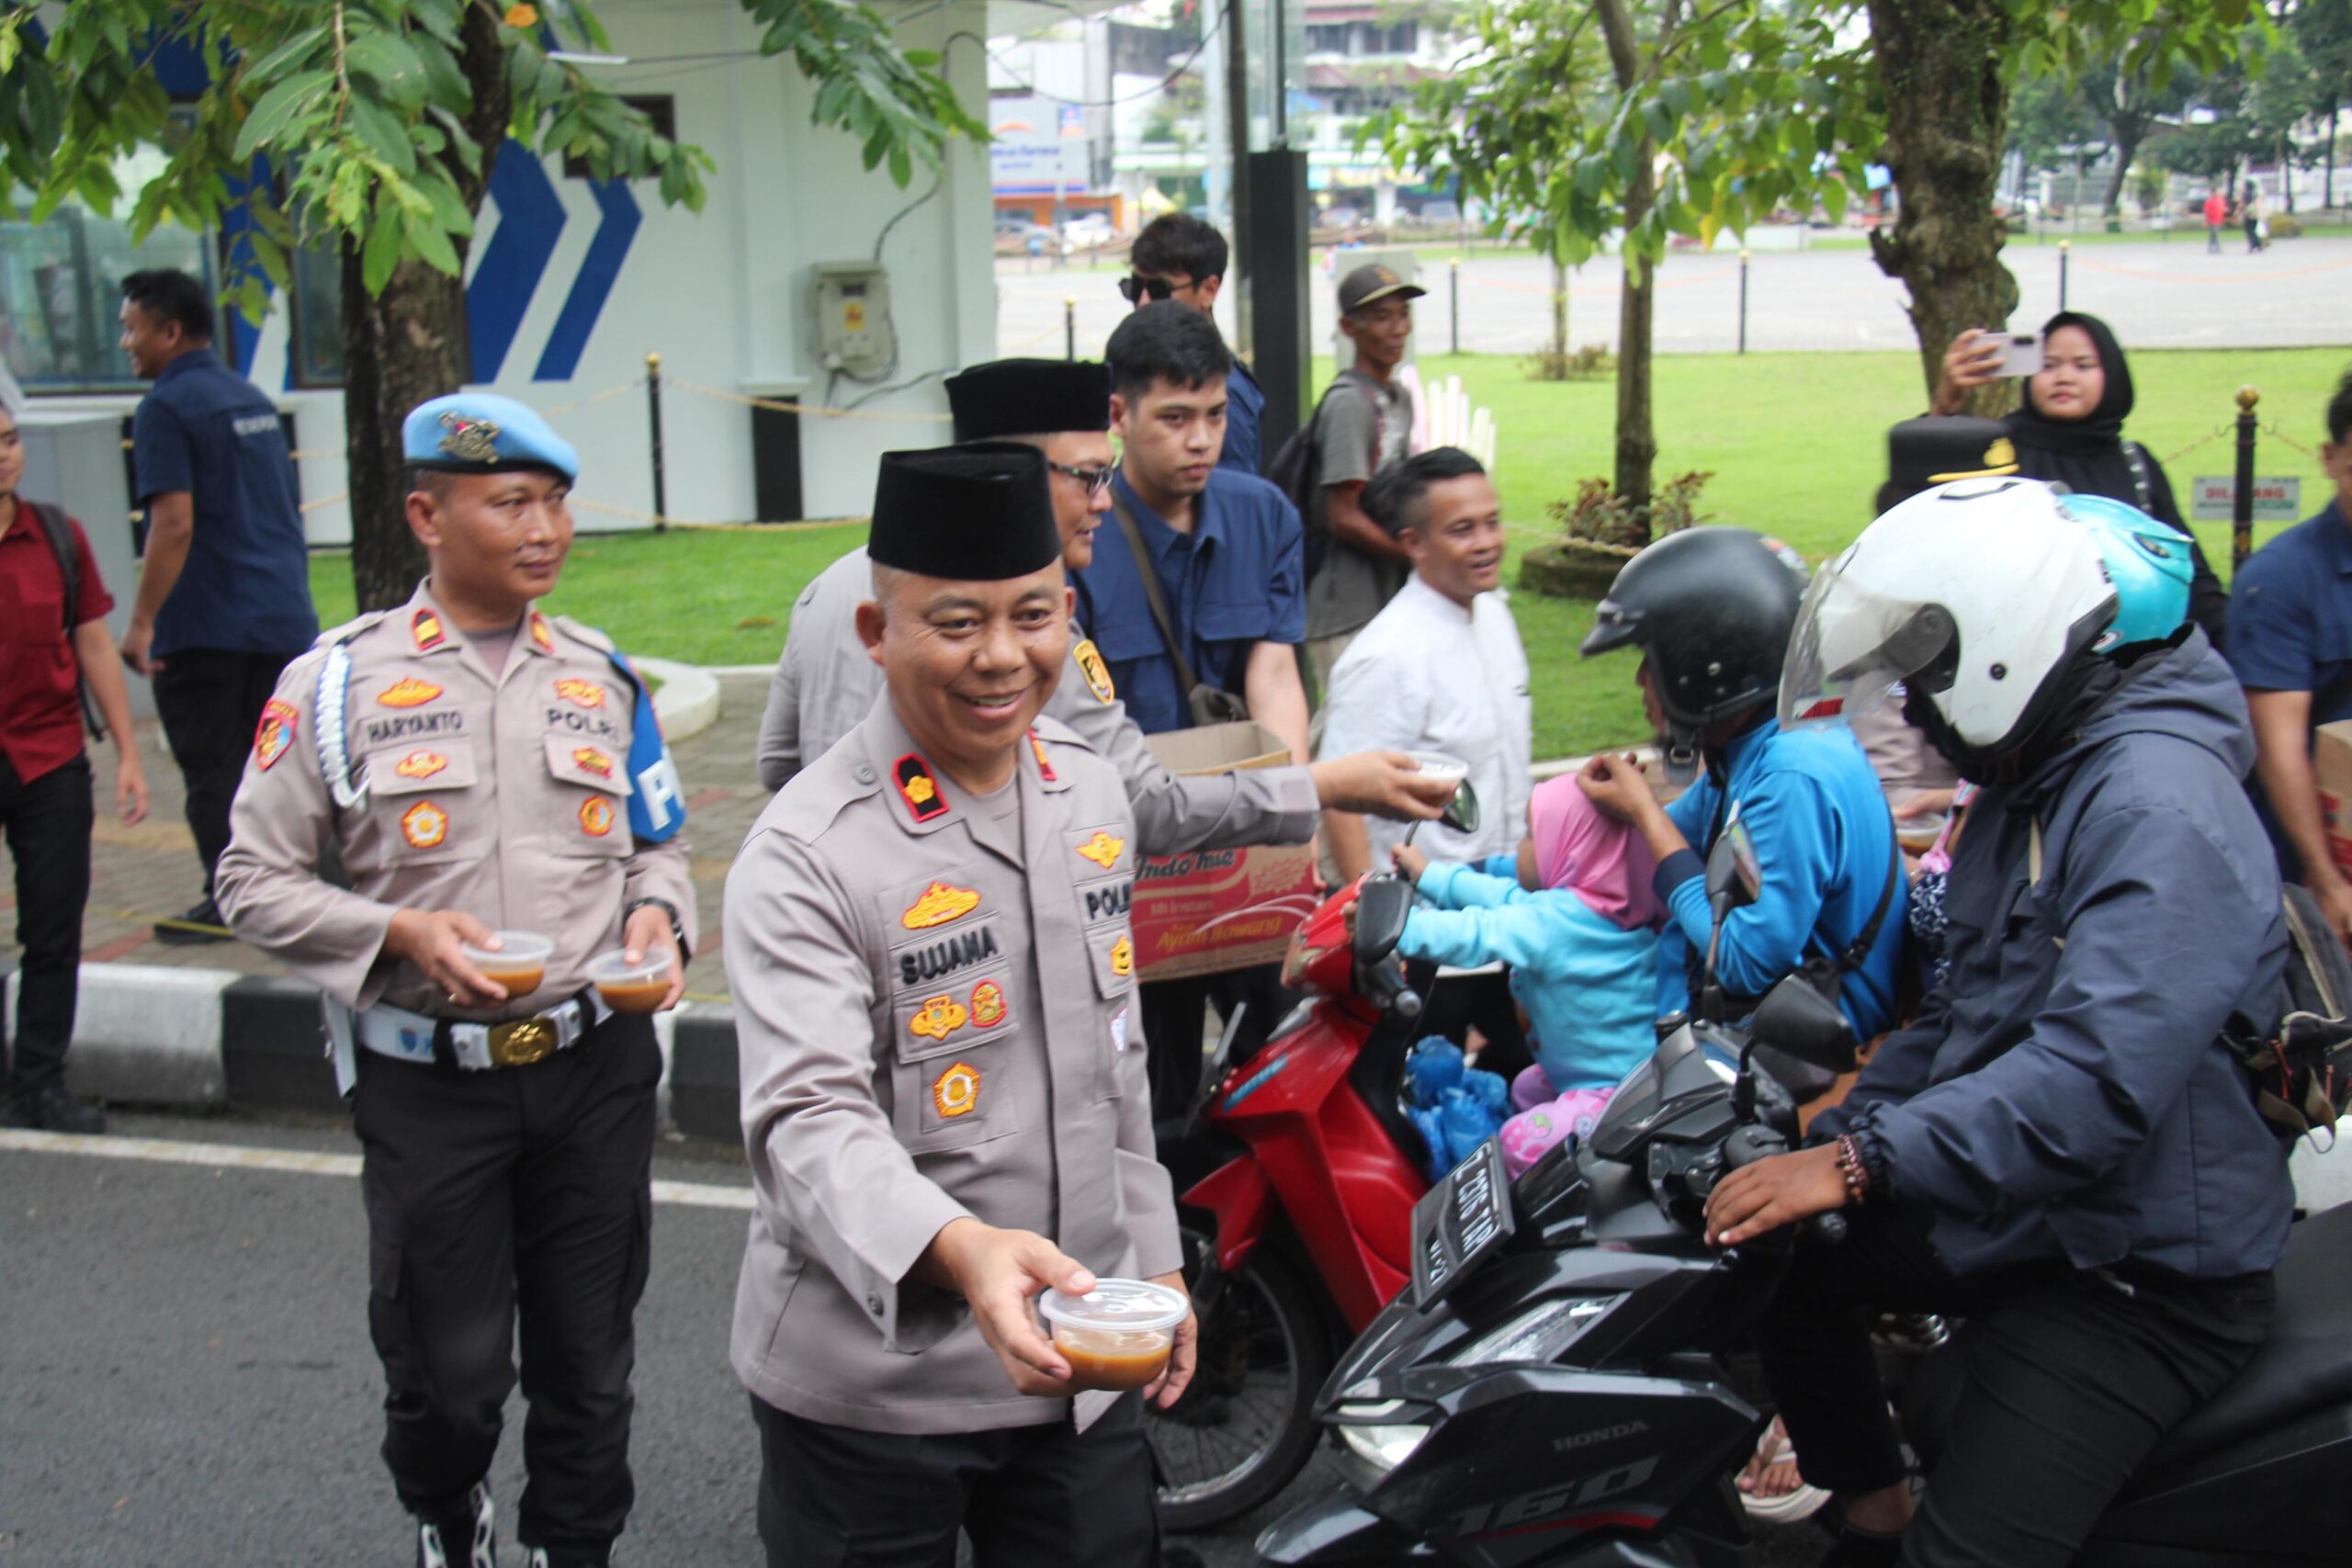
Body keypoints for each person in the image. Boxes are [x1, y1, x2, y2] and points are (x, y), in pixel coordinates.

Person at [1724, 475, 2289, 1568]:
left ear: (2014, 643)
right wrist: (1829, 1144)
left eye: (1931, 675)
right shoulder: (2044, 779)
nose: (1917, 708)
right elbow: (1966, 1011)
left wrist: (1860, 1164)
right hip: (2044, 1211)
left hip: (2137, 1275)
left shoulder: (2154, 810)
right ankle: (1872, 1514)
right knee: (1785, 1265)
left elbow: (2092, 1081)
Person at [215, 393, 693, 1568]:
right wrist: (394, 935)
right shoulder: (332, 685)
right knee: (453, 1381)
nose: (547, 528)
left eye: (557, 502)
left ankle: (572, 1547)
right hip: (431, 1085)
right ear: (427, 514)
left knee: (591, 1362)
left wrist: (658, 919)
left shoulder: (601, 676)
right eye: (512, 503)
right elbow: (248, 878)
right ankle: (445, 1510)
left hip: (593, 1067)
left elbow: (659, 842)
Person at [725, 444, 1188, 1568]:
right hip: (872, 1399)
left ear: (1066, 617)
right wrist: (966, 1252)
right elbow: (808, 1123)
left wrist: (1155, 1258)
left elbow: (1112, 1056)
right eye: (955, 623)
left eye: (1031, 617)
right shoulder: (804, 854)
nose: (1000, 659)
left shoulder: (1085, 791)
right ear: (876, 636)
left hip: (1077, 1372)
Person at [752, 355, 1452, 840]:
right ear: (1015, 472)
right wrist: (1324, 785)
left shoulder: (832, 586)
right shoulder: (1029, 632)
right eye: (1088, 476)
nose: (1104, 500)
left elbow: (779, 765)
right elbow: (1143, 803)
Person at [1075, 301, 1315, 1109]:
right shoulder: (1080, 534)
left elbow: (1274, 676)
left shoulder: (1265, 514)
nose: (1201, 439)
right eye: (1175, 418)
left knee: (1288, 1066)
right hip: (1132, 861)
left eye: (1214, 415)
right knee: (1152, 1097)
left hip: (1246, 847)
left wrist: (1293, 822)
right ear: (1120, 414)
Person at [1576, 527, 1905, 1043]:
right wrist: (1478, 876)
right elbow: (1655, 847)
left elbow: (1739, 962)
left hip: (1802, 1072)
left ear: (1704, 667)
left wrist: (1644, 812)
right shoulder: (1757, 745)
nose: (1642, 680)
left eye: (1652, 660)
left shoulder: (1792, 775)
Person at [118, 267, 318, 943]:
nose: (126, 343)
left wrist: (143, 620)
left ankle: (232, 899)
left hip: (207, 625)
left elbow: (172, 522)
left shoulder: (165, 408)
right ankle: (292, 887)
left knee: (213, 767)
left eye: (131, 328)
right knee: (279, 764)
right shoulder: (249, 397)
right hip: (280, 618)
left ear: (169, 332)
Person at [1388, 774, 1659, 1178]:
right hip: (1605, 1079)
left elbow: (1479, 932)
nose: (1520, 848)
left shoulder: (1558, 924)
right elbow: (1501, 898)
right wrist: (1428, 874)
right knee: (1525, 1088)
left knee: (1516, 1140)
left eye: (1531, 836)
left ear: (1572, 848)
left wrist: (1398, 929)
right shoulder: (1594, 907)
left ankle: (1535, 1230)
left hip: (1617, 1100)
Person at [0, 404, 149, 1133]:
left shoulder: (59, 536)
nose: (3, 456)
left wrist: (127, 754)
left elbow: (94, 645)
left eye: (8, 440)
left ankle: (39, 1082)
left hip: (49, 758)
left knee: (53, 930)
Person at [1930, 310, 2226, 647]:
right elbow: (1927, 518)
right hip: (2015, 655)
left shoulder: (2134, 462)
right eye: (2049, 365)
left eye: (2083, 365)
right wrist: (1946, 405)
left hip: (2127, 660)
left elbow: (2185, 570)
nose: (2064, 377)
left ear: (2112, 375)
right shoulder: (1998, 451)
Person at [1317, 447, 1530, 881]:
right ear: (1414, 543)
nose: (1487, 542)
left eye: (1492, 522)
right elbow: (1341, 804)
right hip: (1427, 919)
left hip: (1504, 903)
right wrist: (1380, 926)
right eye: (1463, 530)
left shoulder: (1496, 618)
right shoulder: (1386, 655)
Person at [2227, 368, 2352, 942]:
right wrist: (2326, 882)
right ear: (2329, 459)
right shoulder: (2279, 581)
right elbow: (2280, 747)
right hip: (2312, 859)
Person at [1302, 263, 1423, 697]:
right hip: (1343, 609)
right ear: (1348, 328)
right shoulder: (1349, 403)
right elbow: (1341, 515)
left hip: (1386, 603)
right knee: (1342, 738)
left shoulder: (1398, 397)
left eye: (1402, 314)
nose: (1397, 328)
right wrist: (1414, 556)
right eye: (1381, 317)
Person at [1123, 213, 1263, 475]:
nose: (1142, 302)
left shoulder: (1225, 390)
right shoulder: (1147, 366)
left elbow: (1229, 501)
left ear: (1209, 290)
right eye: (1134, 287)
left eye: (1159, 290)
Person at [2204, 188, 2227, 254]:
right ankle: (2217, 248)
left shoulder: (2221, 200)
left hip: (2219, 219)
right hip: (2213, 220)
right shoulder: (2210, 201)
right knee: (2214, 234)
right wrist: (2206, 220)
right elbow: (2207, 211)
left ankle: (2211, 247)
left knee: (2213, 235)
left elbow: (2222, 208)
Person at [2243, 185, 2265, 253]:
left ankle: (2252, 246)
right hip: (2255, 214)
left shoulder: (2246, 194)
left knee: (2250, 232)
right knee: (2253, 231)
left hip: (2249, 213)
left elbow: (2243, 204)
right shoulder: (2255, 194)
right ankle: (2258, 245)